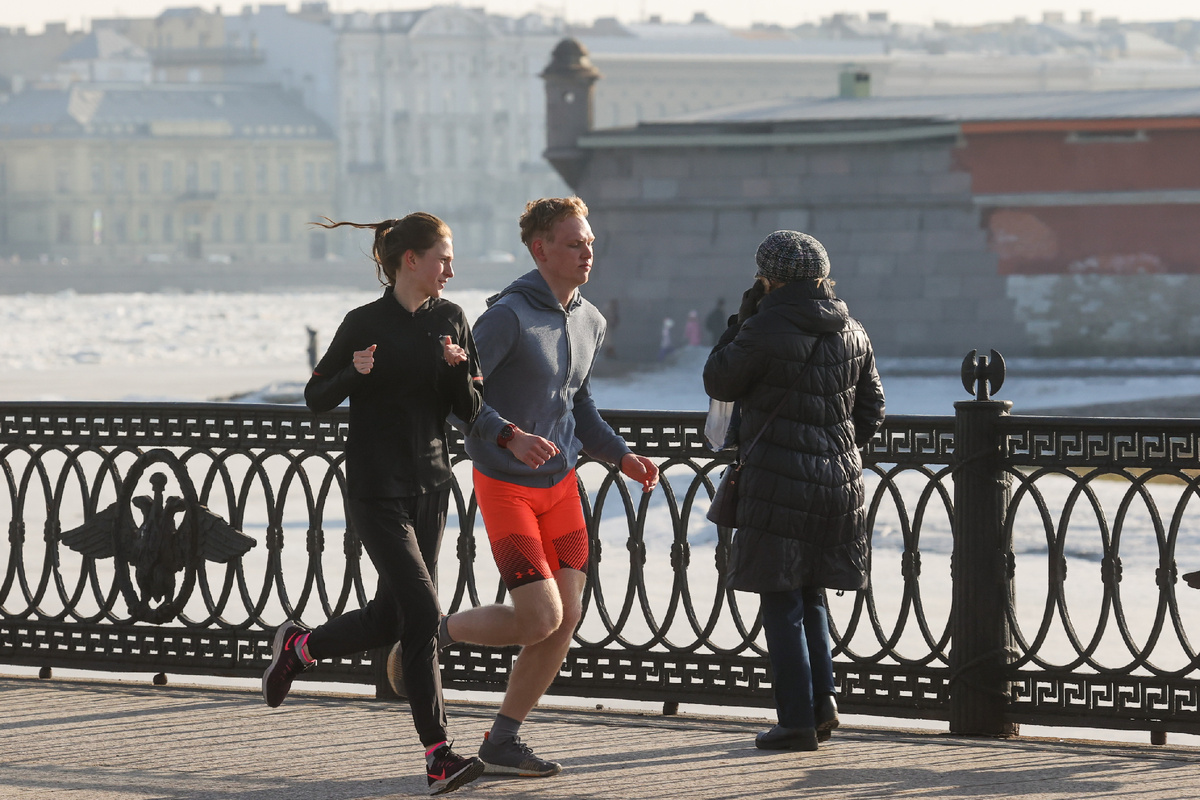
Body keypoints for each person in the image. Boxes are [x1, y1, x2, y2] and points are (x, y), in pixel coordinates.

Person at [261, 212, 486, 796]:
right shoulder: (363, 323)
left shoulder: (452, 320)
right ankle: (438, 755)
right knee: (421, 611)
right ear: (410, 260)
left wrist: (458, 373)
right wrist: (354, 374)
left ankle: (301, 647)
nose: (451, 269)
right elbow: (315, 396)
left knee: (394, 614)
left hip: (432, 486)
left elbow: (470, 409)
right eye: (442, 258)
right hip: (374, 487)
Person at [442, 196, 659, 777]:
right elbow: (458, 399)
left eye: (589, 241)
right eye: (573, 243)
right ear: (541, 250)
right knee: (538, 617)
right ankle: (431, 635)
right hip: (505, 485)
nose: (587, 251)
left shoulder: (590, 319)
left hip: (562, 486)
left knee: (565, 618)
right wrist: (508, 436)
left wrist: (620, 455)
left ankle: (503, 739)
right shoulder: (507, 317)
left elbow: (577, 403)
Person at [703, 230, 885, 752]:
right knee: (811, 593)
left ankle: (795, 722)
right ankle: (822, 705)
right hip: (841, 484)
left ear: (769, 276)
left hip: (777, 481)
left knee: (780, 598)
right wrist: (832, 447)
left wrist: (739, 321)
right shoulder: (853, 329)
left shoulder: (762, 329)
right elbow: (872, 411)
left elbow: (719, 380)